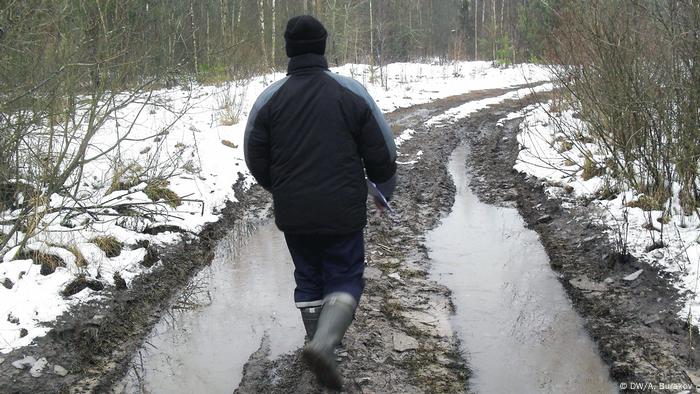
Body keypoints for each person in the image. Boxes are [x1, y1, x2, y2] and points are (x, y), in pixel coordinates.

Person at [243, 15, 397, 391]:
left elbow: (253, 155)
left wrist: (279, 187)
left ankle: (318, 341)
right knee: (344, 274)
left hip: (294, 212)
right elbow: (382, 152)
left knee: (308, 275)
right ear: (323, 46)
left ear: (288, 50)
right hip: (342, 210)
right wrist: (382, 191)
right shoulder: (351, 92)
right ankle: (327, 343)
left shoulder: (269, 98)